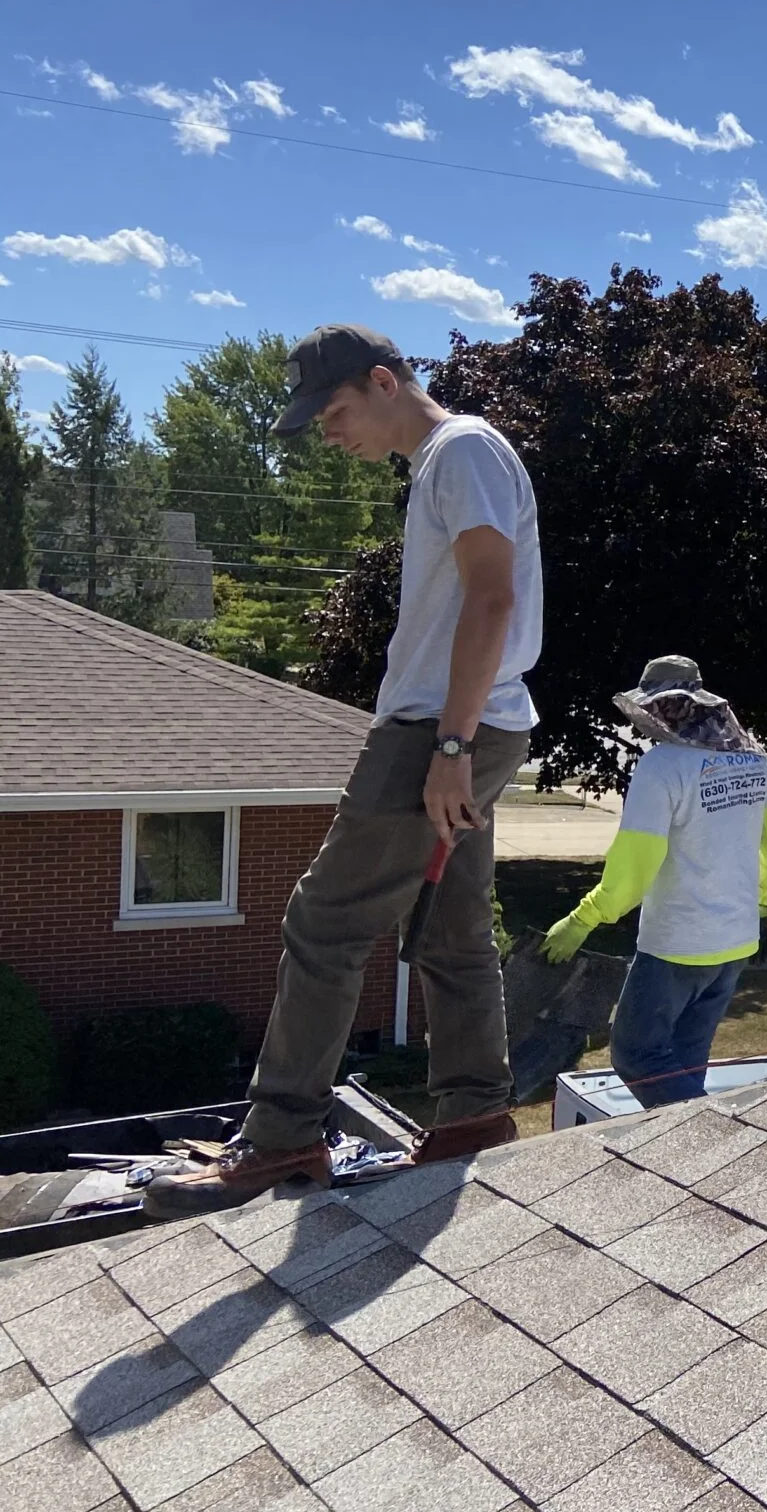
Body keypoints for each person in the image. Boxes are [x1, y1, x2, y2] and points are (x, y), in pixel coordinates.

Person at [150, 324, 543, 1215]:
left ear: (383, 382)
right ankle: (475, 1115)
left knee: (323, 925)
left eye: (333, 411)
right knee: (449, 928)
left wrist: (447, 746)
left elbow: (493, 593)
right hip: (469, 726)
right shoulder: (446, 462)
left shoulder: (461, 450)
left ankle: (283, 1137)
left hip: (439, 734)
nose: (327, 433)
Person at [538, 657, 767, 1106]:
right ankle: (690, 1157)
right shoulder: (753, 759)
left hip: (678, 944)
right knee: (687, 1058)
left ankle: (706, 1134)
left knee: (637, 1055)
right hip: (736, 941)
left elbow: (636, 863)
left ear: (656, 710)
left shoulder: (662, 767)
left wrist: (583, 919)